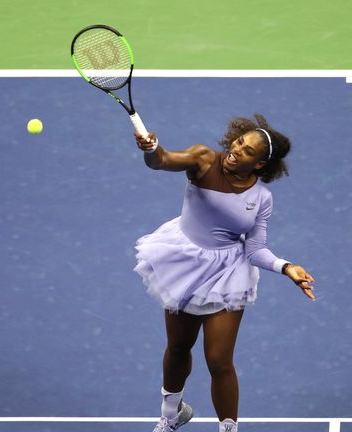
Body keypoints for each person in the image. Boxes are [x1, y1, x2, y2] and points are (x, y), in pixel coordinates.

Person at [133, 114, 316, 432]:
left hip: (228, 272)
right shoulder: (203, 159)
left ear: (259, 165)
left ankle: (229, 429)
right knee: (178, 346)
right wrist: (152, 148)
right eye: (239, 141)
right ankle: (171, 414)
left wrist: (286, 267)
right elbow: (162, 161)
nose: (236, 149)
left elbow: (255, 250)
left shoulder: (261, 199)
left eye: (247, 151)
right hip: (184, 262)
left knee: (218, 360)